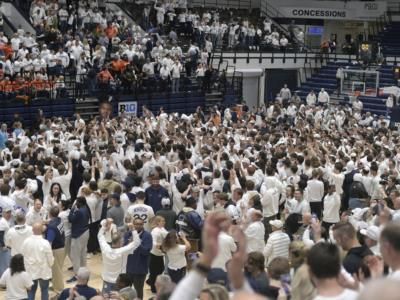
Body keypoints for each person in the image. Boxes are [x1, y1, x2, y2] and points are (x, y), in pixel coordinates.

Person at [98, 218, 140, 293]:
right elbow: (137, 242)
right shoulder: (123, 251)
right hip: (119, 283)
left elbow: (100, 236)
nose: (123, 242)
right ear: (119, 242)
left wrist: (105, 226)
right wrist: (133, 230)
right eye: (122, 241)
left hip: (106, 281)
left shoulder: (105, 248)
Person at [21, 222, 54, 300]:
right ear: (42, 230)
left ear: (32, 230)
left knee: (31, 291)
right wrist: (51, 264)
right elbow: (50, 258)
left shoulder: (26, 241)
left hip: (31, 271)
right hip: (43, 271)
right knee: (45, 290)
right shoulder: (45, 243)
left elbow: (22, 254)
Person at [125, 218, 152, 299]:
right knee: (126, 291)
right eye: (136, 224)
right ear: (133, 224)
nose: (138, 226)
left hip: (140, 270)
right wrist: (128, 244)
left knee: (138, 291)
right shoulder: (128, 234)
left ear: (143, 225)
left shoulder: (147, 236)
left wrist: (137, 243)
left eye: (140, 224)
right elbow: (122, 247)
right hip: (128, 268)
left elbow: (146, 252)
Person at [67, 197, 91, 283]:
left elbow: (70, 219)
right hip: (86, 232)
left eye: (77, 202)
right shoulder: (86, 208)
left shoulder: (79, 211)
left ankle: (77, 275)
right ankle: (84, 271)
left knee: (75, 256)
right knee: (83, 253)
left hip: (78, 234)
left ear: (79, 203)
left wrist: (72, 209)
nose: (76, 203)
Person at [45, 206, 65, 294]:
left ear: (49, 214)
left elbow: (49, 242)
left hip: (56, 250)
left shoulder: (51, 227)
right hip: (61, 247)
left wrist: (47, 253)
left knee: (57, 271)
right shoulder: (60, 220)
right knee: (56, 269)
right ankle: (55, 285)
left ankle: (59, 289)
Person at [148, 216, 168, 293]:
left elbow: (167, 235)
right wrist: (158, 245)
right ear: (158, 222)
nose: (164, 222)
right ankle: (153, 289)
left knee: (161, 269)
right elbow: (153, 242)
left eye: (164, 221)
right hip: (154, 254)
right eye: (162, 221)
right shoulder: (155, 231)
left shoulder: (162, 229)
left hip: (160, 254)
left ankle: (150, 281)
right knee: (154, 272)